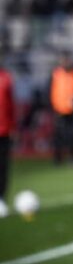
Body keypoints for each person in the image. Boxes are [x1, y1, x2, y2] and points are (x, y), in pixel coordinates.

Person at [49, 52, 73, 165]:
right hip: (58, 109)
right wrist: (52, 107)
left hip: (72, 110)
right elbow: (49, 91)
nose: (66, 63)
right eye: (64, 60)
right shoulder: (55, 74)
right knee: (59, 136)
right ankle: (58, 159)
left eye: (67, 60)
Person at [0, 64, 14, 217]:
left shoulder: (6, 78)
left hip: (3, 130)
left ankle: (2, 199)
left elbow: (10, 105)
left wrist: (12, 126)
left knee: (3, 167)